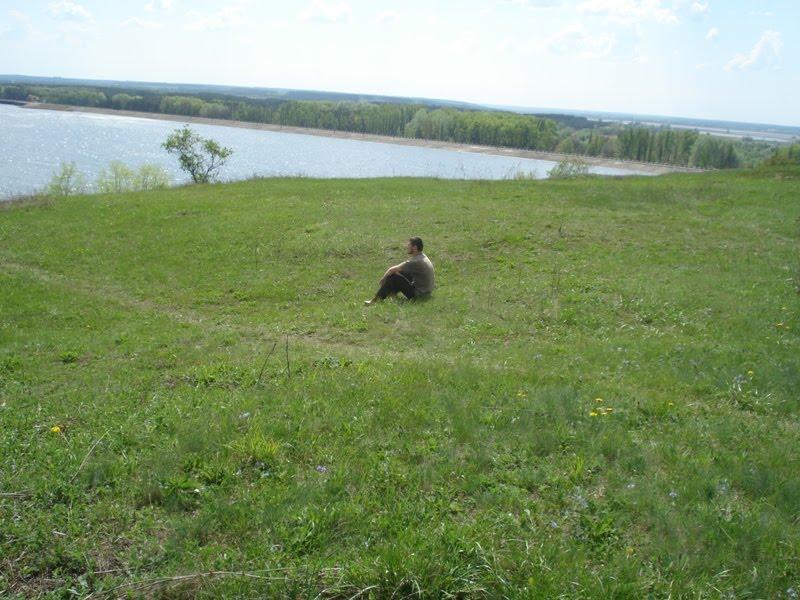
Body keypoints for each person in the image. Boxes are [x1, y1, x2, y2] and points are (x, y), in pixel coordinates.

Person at [365, 237, 434, 305]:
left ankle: (376, 300)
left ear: (415, 247)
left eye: (409, 245)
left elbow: (391, 270)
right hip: (426, 292)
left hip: (419, 294)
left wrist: (383, 279)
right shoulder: (422, 256)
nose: (406, 247)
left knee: (394, 277)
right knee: (402, 272)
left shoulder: (415, 261)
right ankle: (391, 294)